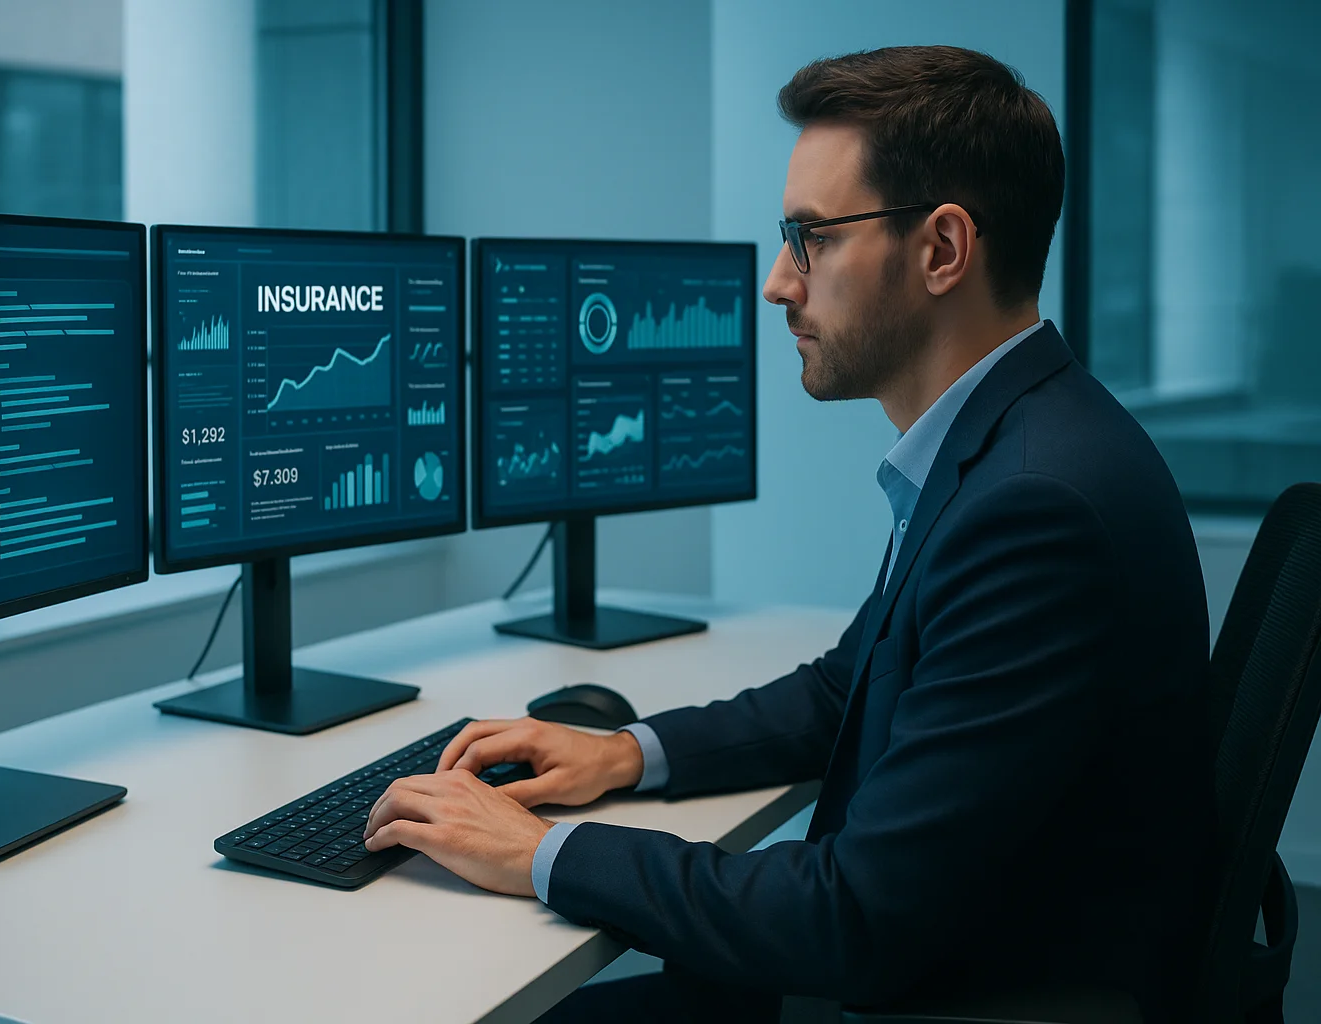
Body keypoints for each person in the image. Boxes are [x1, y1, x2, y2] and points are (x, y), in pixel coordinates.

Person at [362, 44, 1214, 1023]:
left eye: (810, 238)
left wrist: (538, 851)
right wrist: (622, 753)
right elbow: (845, 687)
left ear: (942, 249)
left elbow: (851, 919)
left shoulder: (1036, 504)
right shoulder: (1018, 438)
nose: (777, 282)